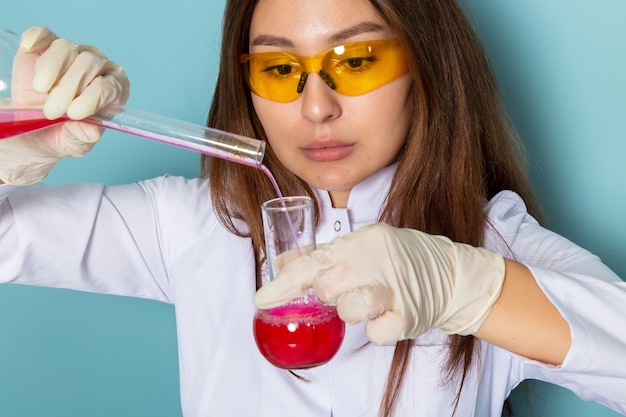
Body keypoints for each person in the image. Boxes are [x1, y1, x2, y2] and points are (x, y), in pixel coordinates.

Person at [1, 0, 625, 416]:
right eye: (278, 68)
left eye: (355, 62)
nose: (316, 107)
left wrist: (470, 285)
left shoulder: (487, 240)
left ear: (427, 66)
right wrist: (14, 147)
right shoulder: (190, 225)